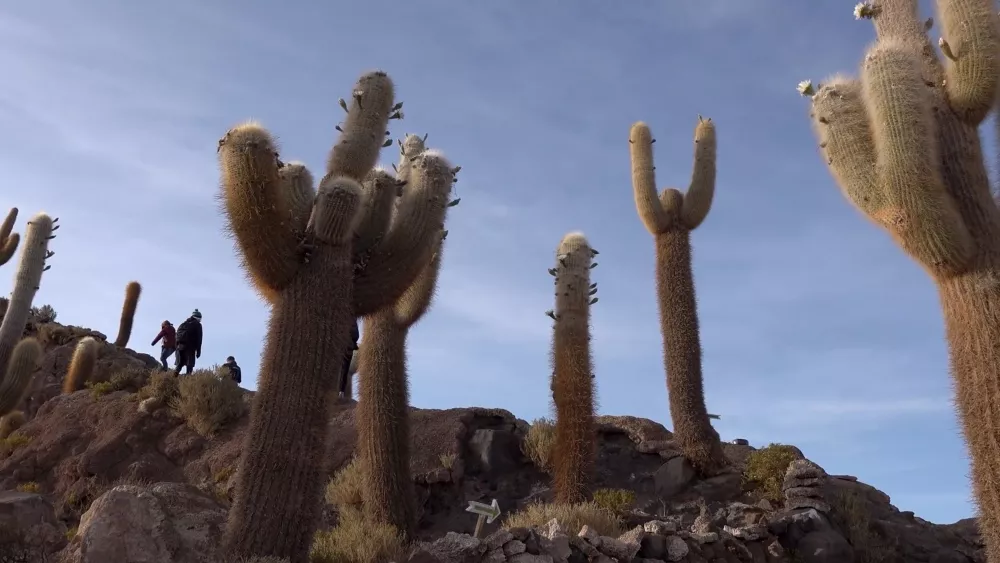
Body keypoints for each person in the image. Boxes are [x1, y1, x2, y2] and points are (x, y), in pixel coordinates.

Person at [173, 309, 203, 376]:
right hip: (190, 348)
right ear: (198, 318)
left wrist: (176, 347)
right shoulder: (198, 325)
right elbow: (199, 339)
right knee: (189, 365)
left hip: (179, 347)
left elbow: (176, 336)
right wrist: (198, 351)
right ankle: (188, 379)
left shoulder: (183, 324)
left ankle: (174, 377)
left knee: (179, 364)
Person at [338, 318, 360, 400]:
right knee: (344, 370)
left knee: (344, 369)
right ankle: (341, 392)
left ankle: (341, 392)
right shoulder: (352, 321)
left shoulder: (345, 320)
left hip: (346, 347)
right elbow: (356, 335)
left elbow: (356, 335)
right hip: (348, 347)